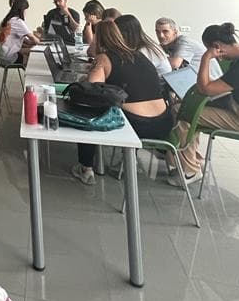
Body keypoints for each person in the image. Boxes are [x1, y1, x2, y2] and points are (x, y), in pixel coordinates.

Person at [72, 20, 173, 185]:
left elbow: (92, 91)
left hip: (137, 124)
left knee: (88, 109)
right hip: (163, 122)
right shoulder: (139, 55)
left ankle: (86, 168)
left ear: (99, 39)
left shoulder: (104, 58)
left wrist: (87, 76)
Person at [171, 22, 239, 184]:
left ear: (216, 46)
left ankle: (189, 170)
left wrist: (206, 57)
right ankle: (194, 159)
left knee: (184, 112)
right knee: (184, 106)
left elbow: (205, 89)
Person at [0, 0, 38, 65]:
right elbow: (32, 37)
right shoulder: (17, 21)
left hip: (3, 54)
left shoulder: (8, 19)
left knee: (31, 47)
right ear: (22, 10)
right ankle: (30, 72)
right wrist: (42, 44)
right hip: (8, 57)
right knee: (36, 52)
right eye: (26, 9)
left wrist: (31, 43)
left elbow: (20, 38)